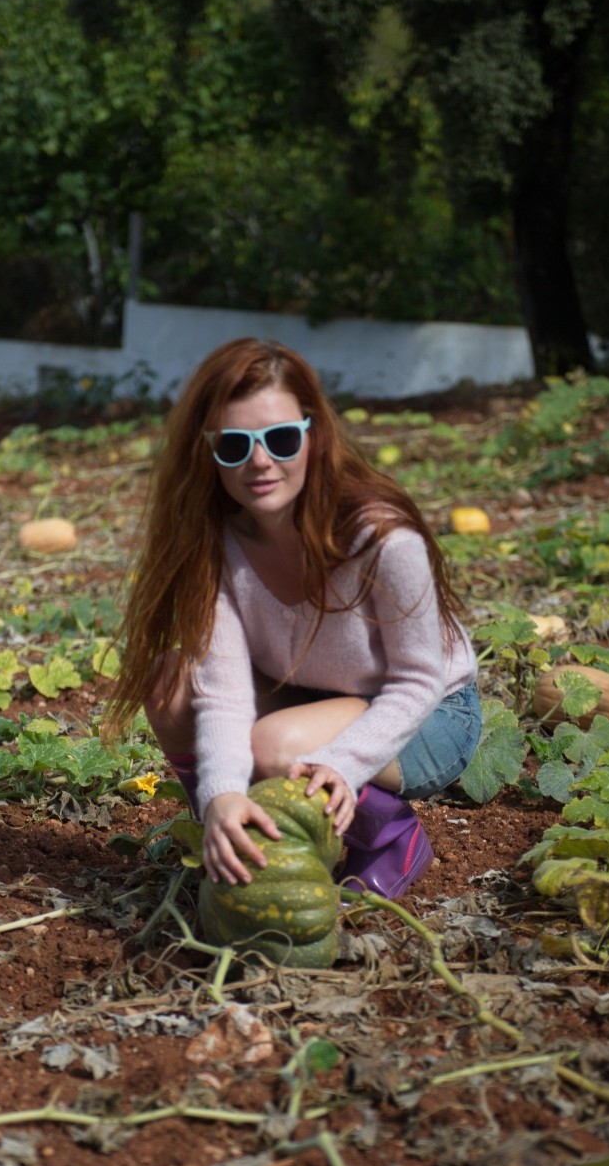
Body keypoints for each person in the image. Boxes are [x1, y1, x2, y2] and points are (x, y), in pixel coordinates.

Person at [105, 337, 482, 900]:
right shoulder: (219, 544)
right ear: (207, 451)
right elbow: (227, 695)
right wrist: (222, 796)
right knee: (170, 682)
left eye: (280, 439)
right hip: (311, 696)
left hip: (425, 716)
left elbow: (418, 679)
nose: (260, 461)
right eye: (234, 446)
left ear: (313, 434)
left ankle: (388, 835)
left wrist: (341, 762)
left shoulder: (379, 537)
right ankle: (236, 834)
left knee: (278, 746)